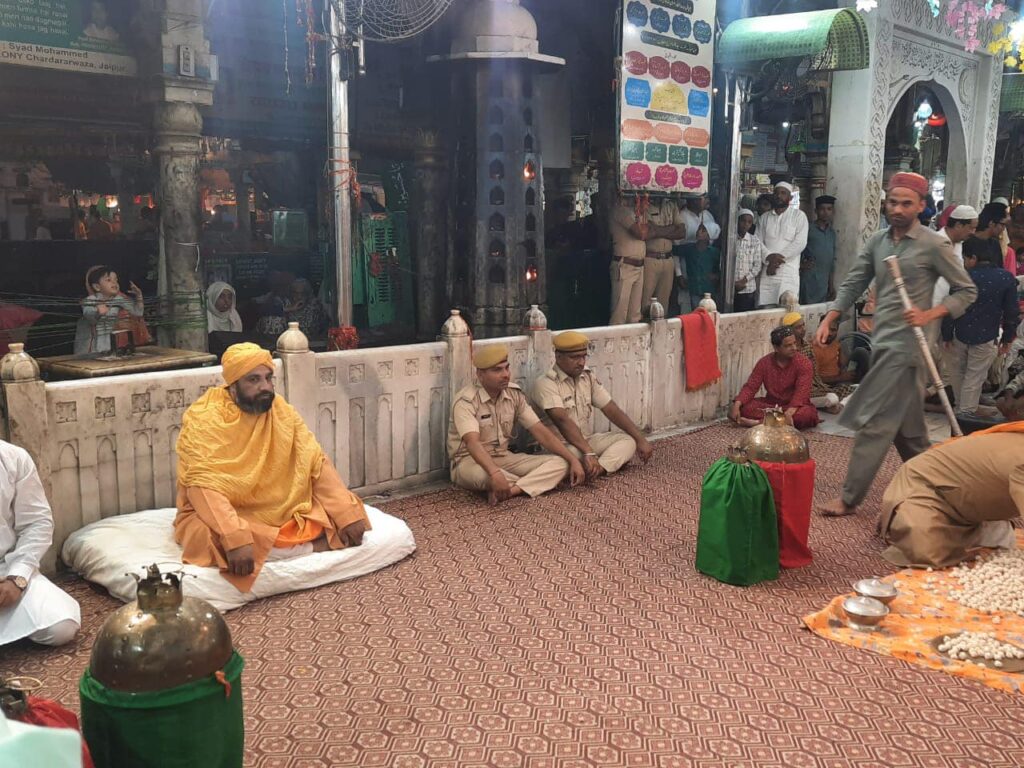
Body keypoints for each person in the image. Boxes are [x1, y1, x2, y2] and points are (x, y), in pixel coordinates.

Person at [813, 172, 977, 517]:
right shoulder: (878, 242)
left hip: (910, 351)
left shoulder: (934, 244)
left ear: (920, 206)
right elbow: (855, 280)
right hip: (883, 344)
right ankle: (950, 492)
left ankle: (849, 498)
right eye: (892, 202)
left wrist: (931, 312)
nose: (898, 209)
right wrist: (832, 315)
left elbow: (967, 290)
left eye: (906, 203)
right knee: (911, 435)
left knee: (874, 424)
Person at [174, 343, 371, 592]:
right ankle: (305, 547)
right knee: (206, 536)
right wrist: (234, 536)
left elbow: (315, 463)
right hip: (229, 511)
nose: (265, 387)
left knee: (347, 512)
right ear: (233, 385)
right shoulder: (205, 417)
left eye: (268, 378)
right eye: (253, 380)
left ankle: (275, 549)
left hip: (283, 505)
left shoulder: (281, 410)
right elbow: (201, 486)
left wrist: (345, 513)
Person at [448, 345, 585, 505]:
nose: (505, 375)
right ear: (480, 374)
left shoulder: (514, 394)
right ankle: (521, 483)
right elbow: (472, 443)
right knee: (489, 477)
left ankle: (512, 490)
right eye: (497, 370)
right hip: (469, 461)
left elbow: (540, 431)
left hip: (504, 457)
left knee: (561, 464)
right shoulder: (466, 401)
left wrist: (573, 460)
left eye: (507, 368)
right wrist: (495, 472)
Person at [879, 427, 1022, 567]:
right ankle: (898, 517)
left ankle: (968, 534)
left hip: (969, 502)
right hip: (926, 489)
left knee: (998, 542)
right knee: (927, 550)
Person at [532, 331, 652, 480]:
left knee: (628, 442)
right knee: (565, 460)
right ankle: (588, 465)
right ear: (558, 357)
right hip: (562, 447)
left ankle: (597, 469)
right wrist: (588, 452)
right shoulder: (545, 383)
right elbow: (562, 421)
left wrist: (640, 438)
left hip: (586, 441)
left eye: (583, 356)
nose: (581, 362)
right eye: (575, 357)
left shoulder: (587, 377)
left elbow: (610, 409)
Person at [0, 440, 81, 647]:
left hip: (5, 569)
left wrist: (17, 578)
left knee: (61, 626)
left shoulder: (13, 458)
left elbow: (37, 522)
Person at [941, 240, 1019, 416]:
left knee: (959, 375)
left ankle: (961, 411)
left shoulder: (962, 277)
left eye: (965, 258)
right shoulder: (1006, 278)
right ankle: (965, 413)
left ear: (973, 258)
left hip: (958, 334)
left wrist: (946, 335)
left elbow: (950, 307)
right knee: (974, 377)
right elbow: (1011, 312)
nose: (965, 262)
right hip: (986, 336)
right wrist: (1007, 338)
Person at [608, 195, 686, 324]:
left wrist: (656, 229)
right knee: (619, 314)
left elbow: (681, 232)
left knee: (635, 315)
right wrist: (670, 228)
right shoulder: (620, 210)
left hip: (640, 265)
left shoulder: (638, 212)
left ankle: (637, 343)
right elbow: (642, 233)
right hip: (625, 265)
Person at [728, 326, 818, 429]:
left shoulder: (804, 363)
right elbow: (751, 387)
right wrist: (737, 405)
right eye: (788, 345)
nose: (794, 348)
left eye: (794, 343)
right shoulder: (764, 362)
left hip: (795, 407)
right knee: (742, 407)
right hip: (771, 405)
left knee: (805, 415)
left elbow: (801, 393)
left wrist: (788, 413)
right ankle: (776, 422)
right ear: (776, 348)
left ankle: (758, 424)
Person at [783, 312, 853, 412]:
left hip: (816, 388)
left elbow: (815, 374)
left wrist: (823, 388)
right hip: (799, 392)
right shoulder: (787, 352)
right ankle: (829, 405)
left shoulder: (807, 347)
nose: (803, 329)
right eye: (798, 327)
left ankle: (833, 405)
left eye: (803, 325)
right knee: (831, 398)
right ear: (790, 331)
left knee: (854, 389)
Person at [757, 182, 808, 308]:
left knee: (788, 310)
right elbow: (757, 242)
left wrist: (777, 260)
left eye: (783, 193)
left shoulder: (799, 216)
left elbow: (800, 243)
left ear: (790, 198)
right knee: (766, 311)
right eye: (776, 193)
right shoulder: (764, 218)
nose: (779, 196)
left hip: (788, 272)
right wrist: (769, 258)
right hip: (768, 272)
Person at [73, 265, 145, 355]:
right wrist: (98, 311)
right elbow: (89, 315)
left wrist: (139, 296)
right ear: (97, 287)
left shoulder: (119, 300)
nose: (114, 283)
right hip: (90, 347)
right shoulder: (91, 300)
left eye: (116, 280)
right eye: (108, 280)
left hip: (110, 346)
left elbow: (138, 313)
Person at [932, 204, 978, 308]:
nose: (973, 232)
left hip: (943, 308)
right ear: (958, 225)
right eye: (971, 228)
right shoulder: (934, 241)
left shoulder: (959, 245)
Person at [800, 195, 837, 304]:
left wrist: (831, 284)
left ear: (833, 211)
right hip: (809, 279)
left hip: (824, 282)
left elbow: (831, 261)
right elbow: (798, 250)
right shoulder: (808, 229)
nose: (825, 212)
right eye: (822, 209)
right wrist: (801, 265)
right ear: (816, 211)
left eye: (829, 209)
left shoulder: (832, 233)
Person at [675, 225, 720, 310]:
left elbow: (720, 269)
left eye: (703, 230)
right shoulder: (689, 248)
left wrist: (716, 276)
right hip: (694, 288)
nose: (698, 231)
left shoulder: (714, 252)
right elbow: (673, 250)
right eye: (699, 228)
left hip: (708, 289)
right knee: (696, 311)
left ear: (709, 235)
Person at [733, 209, 768, 312]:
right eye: (743, 221)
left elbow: (757, 266)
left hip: (747, 288)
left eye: (749, 222)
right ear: (737, 221)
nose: (745, 224)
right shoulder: (730, 238)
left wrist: (743, 281)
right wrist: (733, 283)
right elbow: (723, 262)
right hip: (731, 288)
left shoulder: (755, 240)